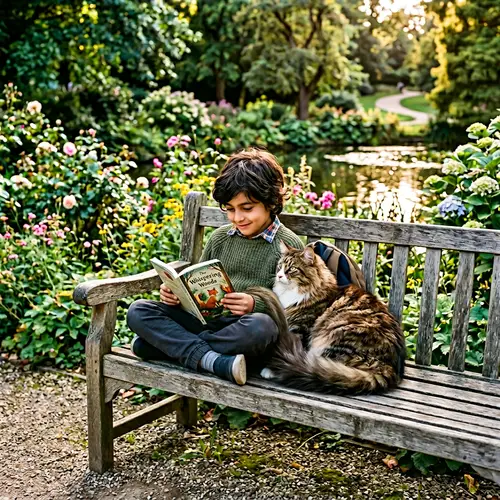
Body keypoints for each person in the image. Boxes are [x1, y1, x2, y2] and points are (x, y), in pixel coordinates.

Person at [127, 149, 304, 386]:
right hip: (208, 322)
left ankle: (175, 347)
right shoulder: (220, 238)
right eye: (230, 209)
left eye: (247, 208)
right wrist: (178, 295)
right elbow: (199, 280)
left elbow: (292, 307)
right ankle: (214, 360)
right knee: (138, 310)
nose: (237, 217)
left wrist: (255, 304)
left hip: (242, 329)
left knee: (261, 327)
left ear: (271, 202)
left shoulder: (287, 245)